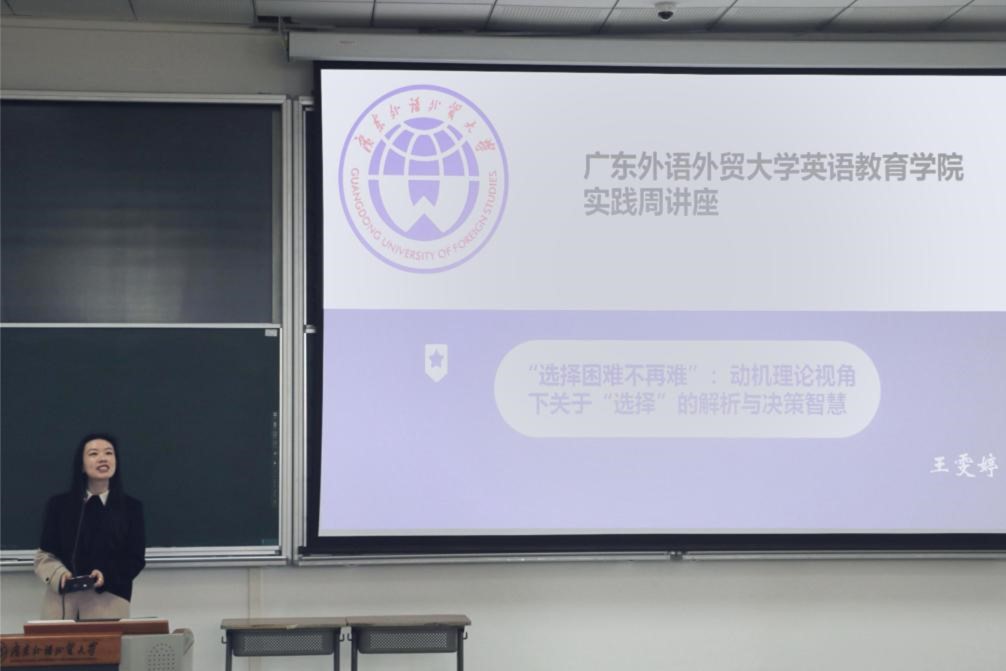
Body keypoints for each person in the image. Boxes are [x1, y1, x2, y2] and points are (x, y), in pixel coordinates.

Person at [34, 433, 146, 620]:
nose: (103, 458)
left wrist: (106, 576)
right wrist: (59, 575)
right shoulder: (59, 505)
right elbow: (45, 555)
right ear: (82, 465)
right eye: (94, 454)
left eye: (109, 453)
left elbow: (135, 559)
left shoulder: (131, 508)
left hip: (109, 601)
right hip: (62, 604)